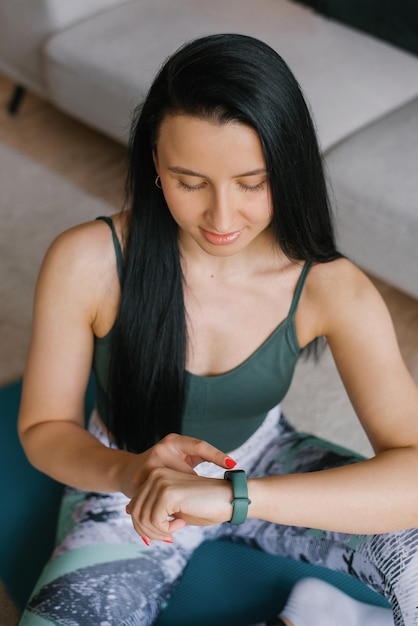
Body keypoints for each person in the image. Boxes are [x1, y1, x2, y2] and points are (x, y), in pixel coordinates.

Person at [17, 33, 418, 626]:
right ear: (155, 164)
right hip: (127, 483)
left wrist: (235, 496)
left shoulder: (333, 286)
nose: (222, 218)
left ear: (288, 167)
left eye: (251, 183)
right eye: (190, 182)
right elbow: (44, 429)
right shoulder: (87, 260)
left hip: (258, 465)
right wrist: (136, 475)